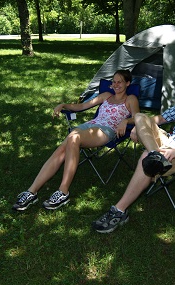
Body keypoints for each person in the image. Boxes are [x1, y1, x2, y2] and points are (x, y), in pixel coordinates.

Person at [91, 72, 175, 233]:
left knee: (146, 158)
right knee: (141, 117)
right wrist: (139, 127)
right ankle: (155, 154)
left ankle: (119, 210)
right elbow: (162, 118)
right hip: (170, 143)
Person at [13, 69, 140, 211]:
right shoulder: (106, 95)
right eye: (114, 81)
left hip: (106, 130)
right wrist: (64, 105)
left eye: (120, 82)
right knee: (62, 148)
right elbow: (82, 106)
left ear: (127, 83)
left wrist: (125, 121)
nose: (116, 85)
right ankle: (32, 191)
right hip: (89, 126)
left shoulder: (130, 99)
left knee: (73, 138)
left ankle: (63, 190)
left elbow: (137, 117)